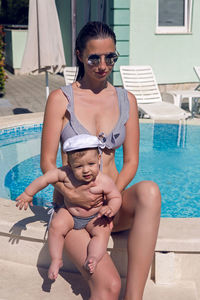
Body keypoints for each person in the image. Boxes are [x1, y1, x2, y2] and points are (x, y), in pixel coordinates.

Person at [40, 21, 161, 300]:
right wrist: (74, 196)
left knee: (150, 192)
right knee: (108, 286)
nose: (103, 65)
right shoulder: (61, 100)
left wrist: (111, 195)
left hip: (109, 208)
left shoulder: (125, 99)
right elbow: (47, 162)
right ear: (80, 55)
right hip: (73, 214)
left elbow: (131, 161)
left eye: (111, 57)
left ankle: (135, 297)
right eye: (94, 57)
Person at [16, 134, 122, 279]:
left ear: (99, 159)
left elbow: (115, 196)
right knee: (56, 226)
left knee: (102, 233)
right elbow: (45, 179)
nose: (86, 170)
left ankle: (93, 258)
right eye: (79, 166)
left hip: (94, 217)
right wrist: (28, 193)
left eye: (91, 164)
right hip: (70, 214)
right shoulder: (65, 174)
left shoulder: (103, 181)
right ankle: (56, 259)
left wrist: (111, 208)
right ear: (69, 165)